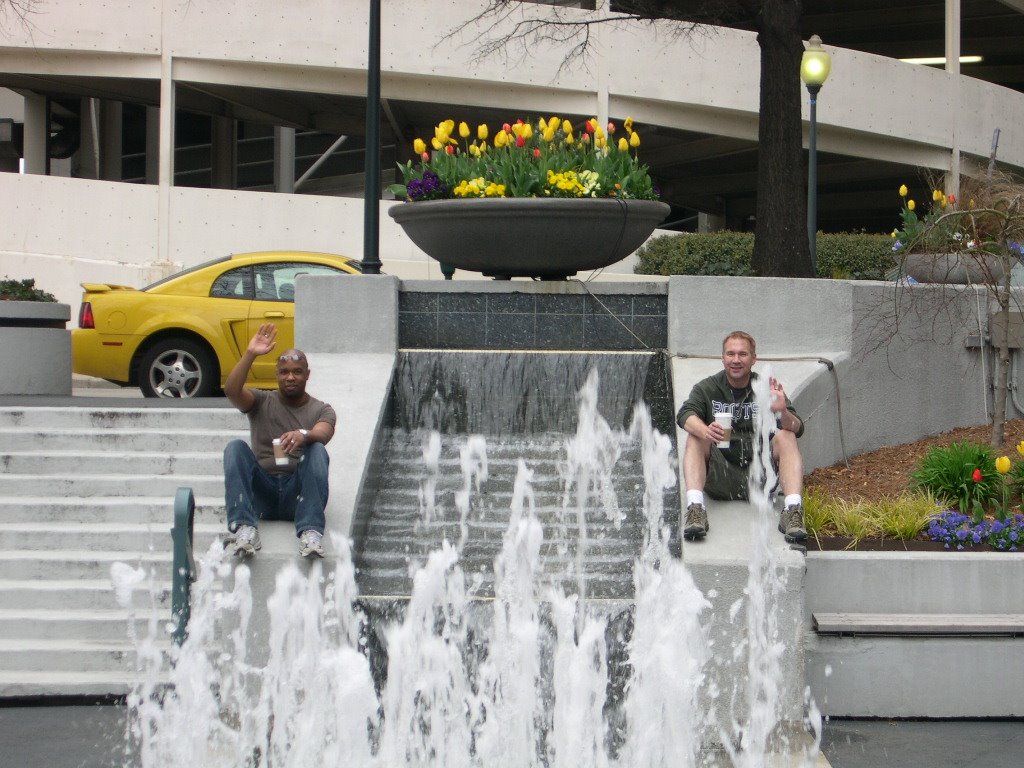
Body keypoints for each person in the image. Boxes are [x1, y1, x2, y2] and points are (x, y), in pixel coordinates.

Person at [677, 330, 806, 543]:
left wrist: (782, 412)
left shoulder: (766, 387)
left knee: (786, 436)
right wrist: (706, 431)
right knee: (696, 435)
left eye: (742, 354)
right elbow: (684, 415)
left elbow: (798, 427)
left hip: (760, 478)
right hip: (720, 477)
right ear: (723, 358)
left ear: (753, 359)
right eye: (730, 354)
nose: (736, 360)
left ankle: (792, 511)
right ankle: (695, 509)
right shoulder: (708, 388)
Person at [222, 322, 336, 558]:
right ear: (277, 375)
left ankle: (311, 532)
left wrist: (303, 435)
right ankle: (244, 528)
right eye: (284, 372)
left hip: (298, 494)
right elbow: (232, 391)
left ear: (307, 375)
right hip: (262, 494)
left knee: (316, 449)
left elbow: (323, 433)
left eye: (297, 371)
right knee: (235, 448)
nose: (290, 377)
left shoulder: (322, 409)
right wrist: (250, 354)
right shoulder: (261, 402)